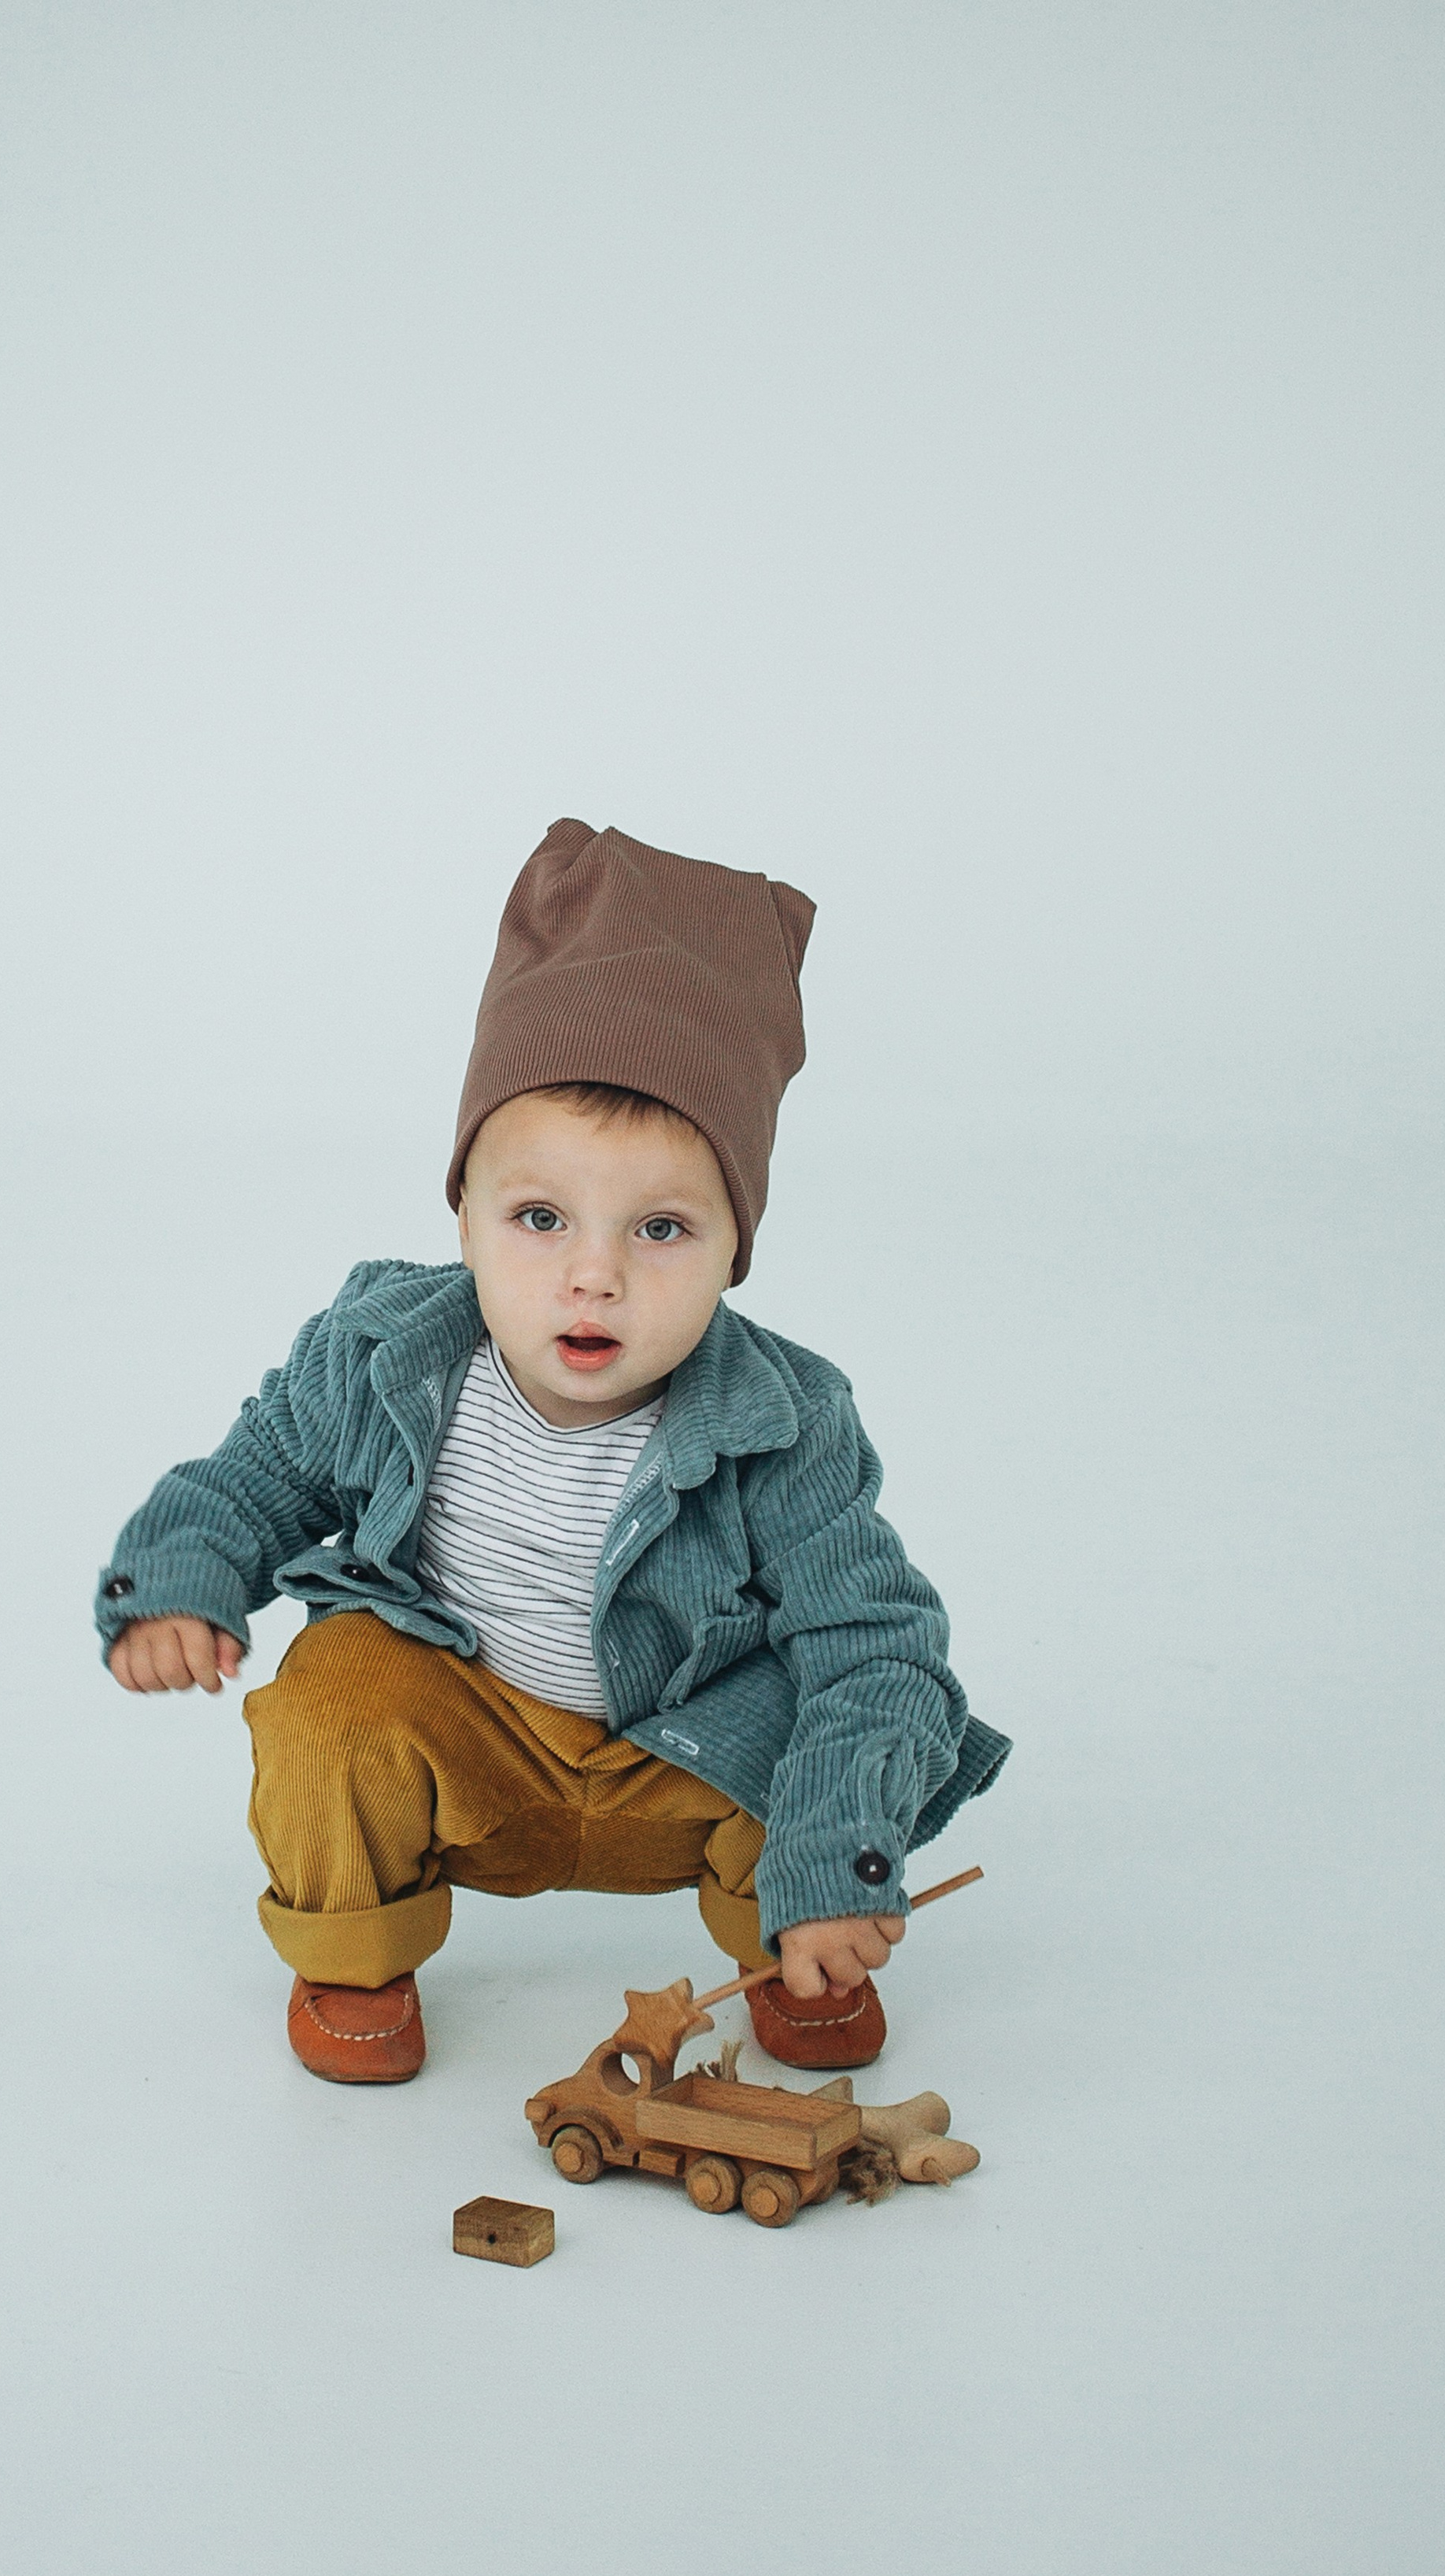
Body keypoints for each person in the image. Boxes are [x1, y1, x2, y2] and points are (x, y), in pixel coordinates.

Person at [95, 819, 1007, 2086]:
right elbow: (253, 1479)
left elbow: (874, 1642)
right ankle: (355, 1958)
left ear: (735, 1248)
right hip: (472, 1739)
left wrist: (839, 1854)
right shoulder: (384, 1353)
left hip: (676, 1755)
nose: (595, 1275)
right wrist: (181, 1581)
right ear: (463, 1217)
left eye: (662, 1229)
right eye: (539, 1217)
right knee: (330, 1699)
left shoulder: (784, 1422)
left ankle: (800, 1939)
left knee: (822, 1697)